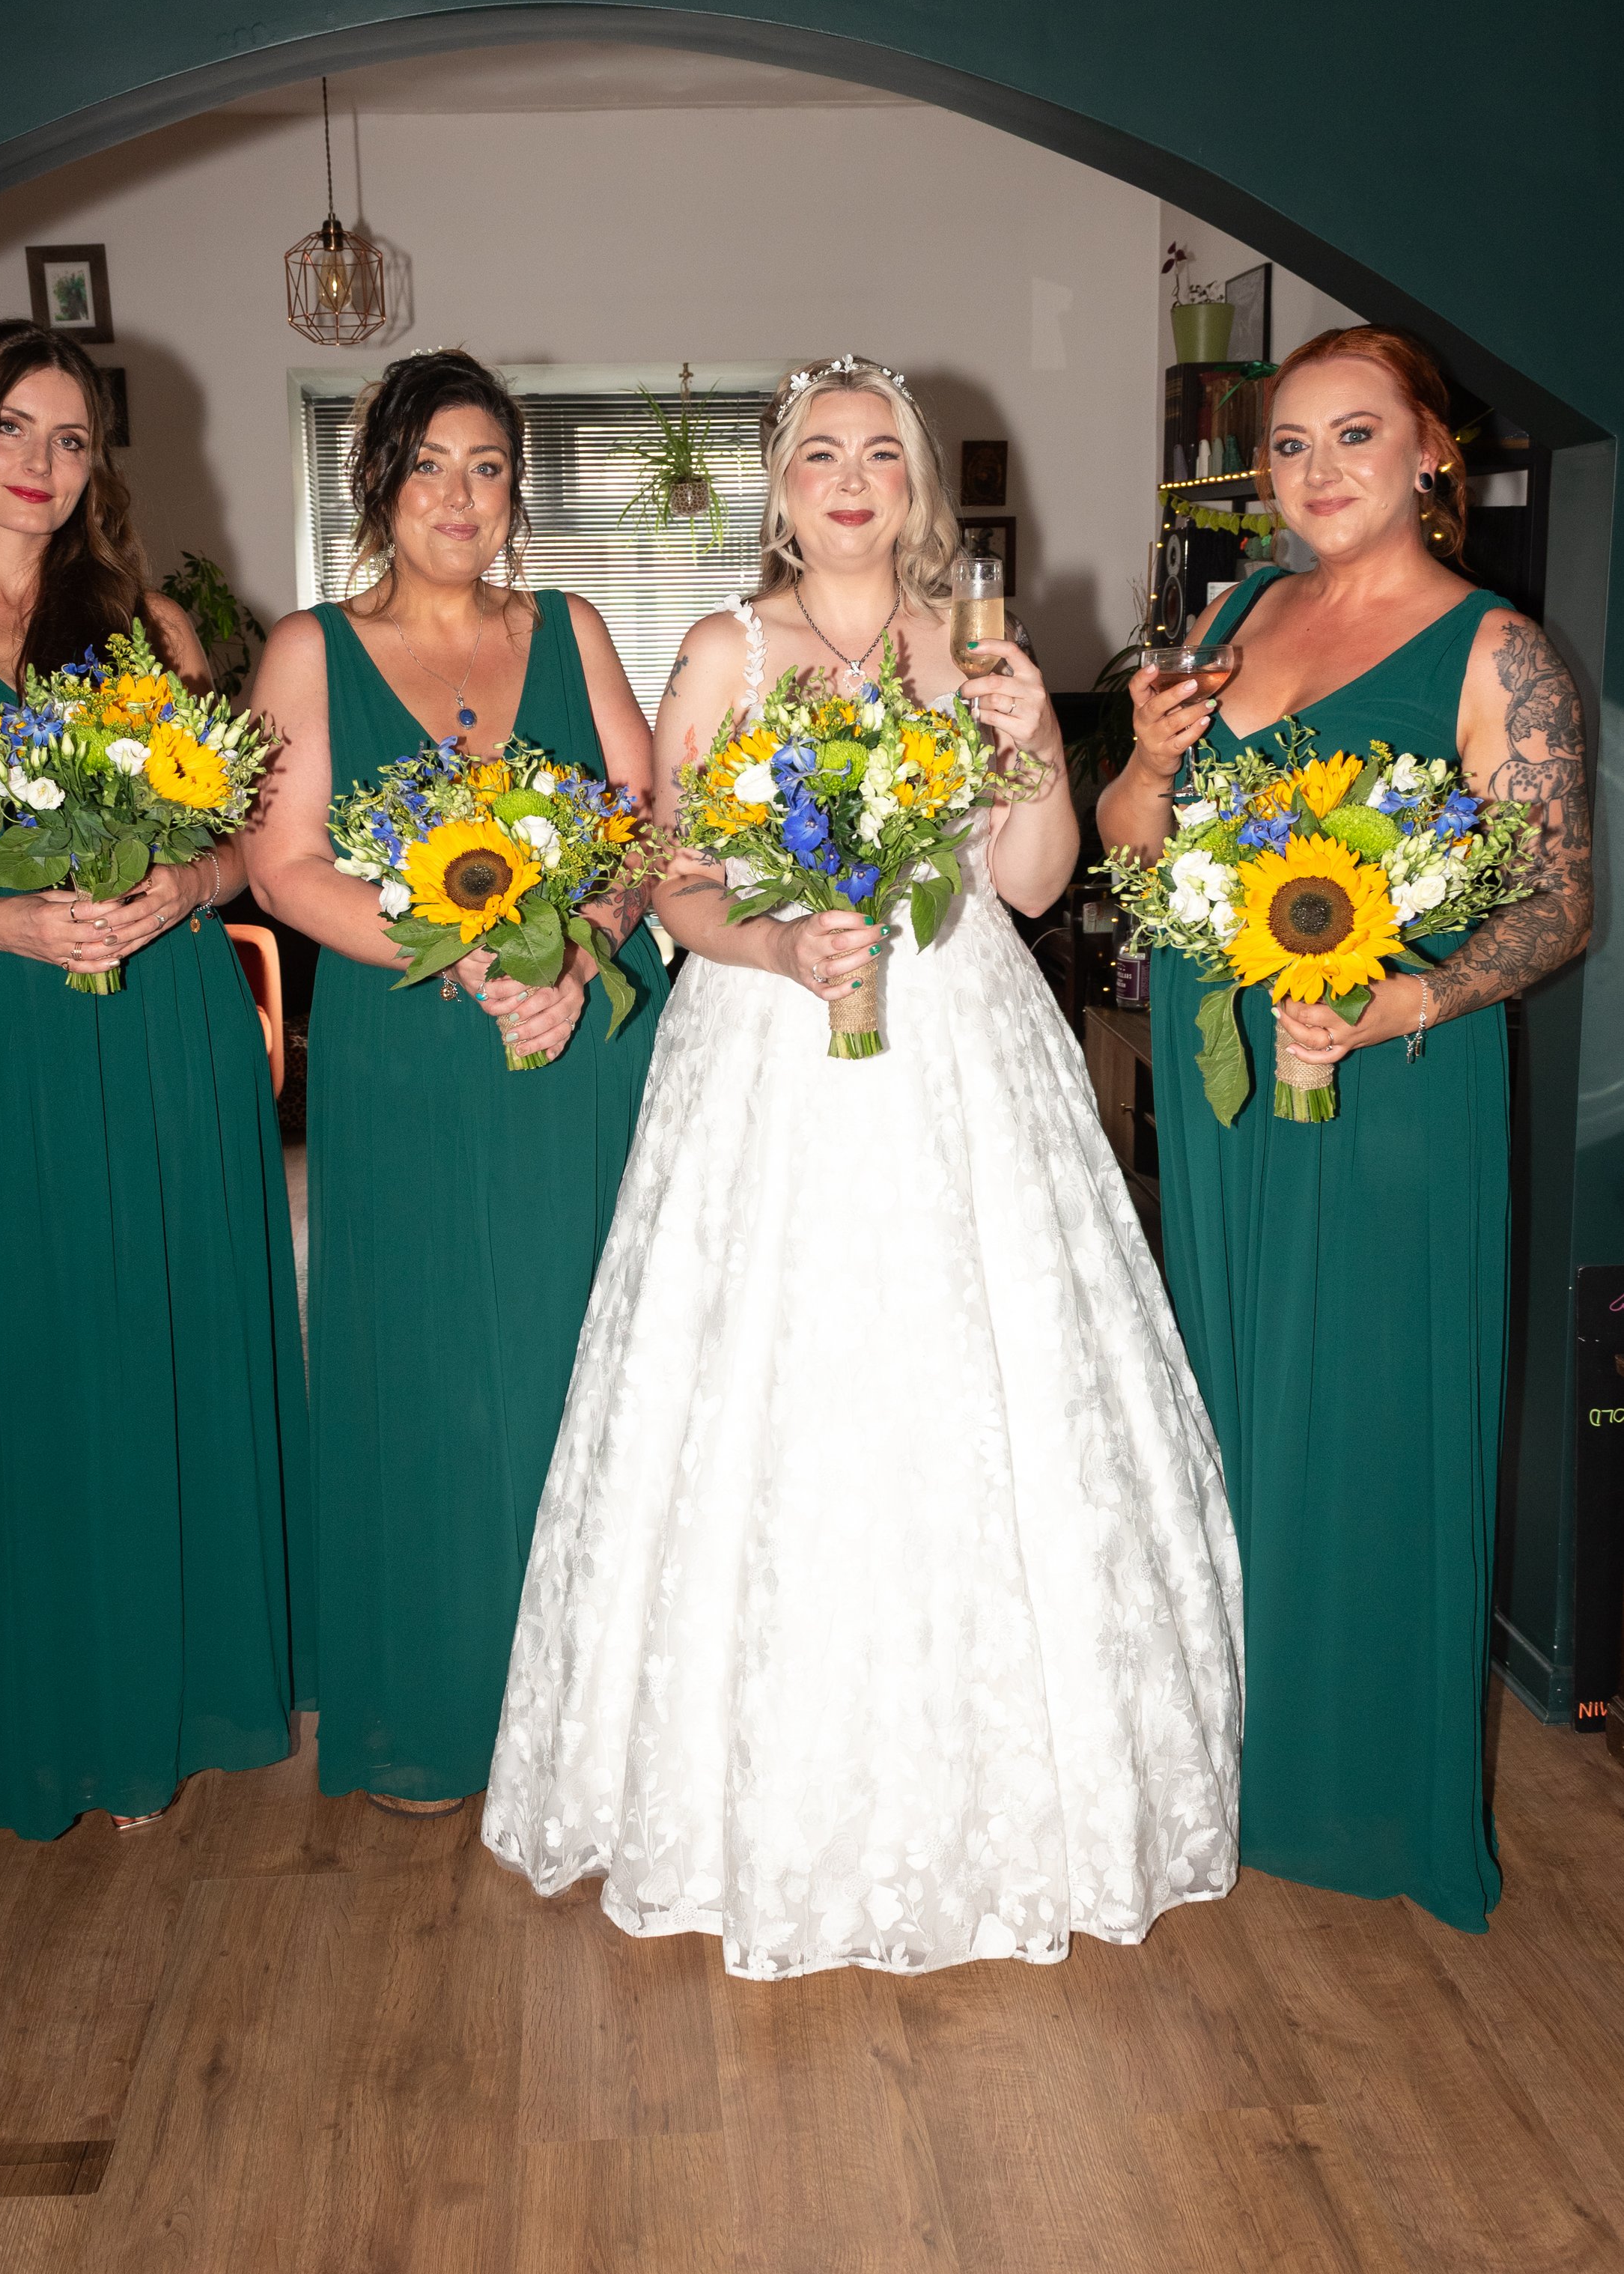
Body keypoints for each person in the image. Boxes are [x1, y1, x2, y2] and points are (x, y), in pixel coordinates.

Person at [483, 355, 1243, 1977]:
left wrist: (1033, 732)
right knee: (774, 1389)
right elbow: (677, 886)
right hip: (767, 1051)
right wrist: (773, 942)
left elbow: (1031, 885)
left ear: (915, 488)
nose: (847, 478)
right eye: (817, 453)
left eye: (876, 454)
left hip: (963, 1046)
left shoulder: (968, 650)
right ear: (776, 487)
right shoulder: (720, 650)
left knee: (977, 1388)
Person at [1099, 323, 1593, 1931]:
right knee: (1229, 1406)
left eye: (1353, 436)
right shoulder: (1235, 613)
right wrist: (1144, 765)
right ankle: (1223, 1763)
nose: (1316, 473)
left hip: (1384, 1077)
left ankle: (1360, 1789)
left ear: (1429, 454)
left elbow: (1556, 906)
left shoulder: (1496, 652)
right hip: (1228, 1073)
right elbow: (1130, 837)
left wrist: (1401, 1004)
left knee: (1371, 1414)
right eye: (1290, 445)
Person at [0, 319, 314, 1840]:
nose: (40, 462)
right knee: (21, 1365)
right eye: (15, 428)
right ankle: (51, 1717)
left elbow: (238, 840)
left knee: (157, 1347)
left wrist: (185, 887)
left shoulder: (147, 627)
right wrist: (4, 923)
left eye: (71, 440)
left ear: (98, 468)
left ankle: (169, 1700)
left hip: (164, 1032)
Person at [244, 348, 667, 1814]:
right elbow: (279, 863)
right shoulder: (308, 649)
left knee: (577, 1360)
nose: (459, 494)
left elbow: (636, 833)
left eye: (486, 466)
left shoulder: (571, 623)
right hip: (408, 1049)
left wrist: (571, 955)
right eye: (429, 463)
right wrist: (463, 951)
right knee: (420, 1371)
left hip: (572, 1045)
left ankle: (599, 1714)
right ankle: (437, 1704)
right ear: (378, 481)